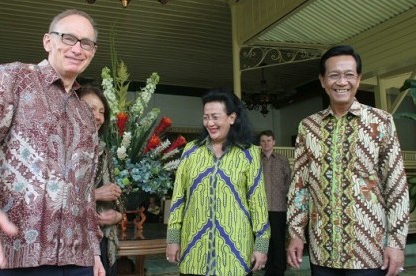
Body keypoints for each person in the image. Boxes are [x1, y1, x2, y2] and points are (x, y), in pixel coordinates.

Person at [0, 9, 105, 275]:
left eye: (86, 42)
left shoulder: (85, 114)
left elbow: (86, 191)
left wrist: (94, 252)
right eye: (68, 38)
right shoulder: (13, 78)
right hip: (10, 255)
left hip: (76, 260)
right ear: (48, 41)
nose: (77, 48)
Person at [286, 45, 409, 276]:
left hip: (369, 252)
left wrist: (396, 242)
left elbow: (396, 186)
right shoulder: (308, 127)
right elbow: (300, 186)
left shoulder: (381, 122)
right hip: (323, 250)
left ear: (359, 79)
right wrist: (295, 233)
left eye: (349, 75)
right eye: (334, 75)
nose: (341, 82)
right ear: (323, 81)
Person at [166, 89, 270, 275]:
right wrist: (173, 239)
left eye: (215, 117)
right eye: (206, 117)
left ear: (231, 118)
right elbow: (178, 198)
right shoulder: (190, 151)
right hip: (194, 251)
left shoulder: (250, 153)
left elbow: (258, 203)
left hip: (235, 253)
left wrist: (261, 245)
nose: (210, 123)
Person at [78, 84, 123, 276]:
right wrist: (94, 194)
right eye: (91, 109)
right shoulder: (58, 149)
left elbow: (118, 201)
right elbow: (48, 195)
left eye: (102, 112)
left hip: (103, 238)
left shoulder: (103, 151)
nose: (98, 116)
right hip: (72, 241)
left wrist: (117, 216)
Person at [259, 130, 291, 276]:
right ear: (260, 143)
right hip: (260, 209)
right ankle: (267, 268)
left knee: (278, 240)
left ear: (274, 142)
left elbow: (289, 181)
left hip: (278, 207)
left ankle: (279, 270)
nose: (266, 143)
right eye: (263, 141)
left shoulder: (282, 160)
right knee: (266, 240)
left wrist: (284, 195)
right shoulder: (256, 160)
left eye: (269, 140)